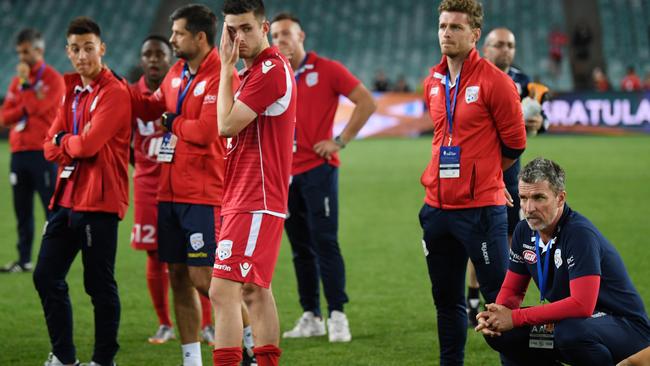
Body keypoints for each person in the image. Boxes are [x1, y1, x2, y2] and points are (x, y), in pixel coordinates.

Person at [128, 5, 254, 366]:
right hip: (167, 195)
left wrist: (173, 121)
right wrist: (121, 92)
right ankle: (191, 359)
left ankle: (250, 347)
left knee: (207, 282)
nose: (171, 39)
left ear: (200, 37)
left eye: (178, 34)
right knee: (178, 278)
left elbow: (205, 131)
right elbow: (154, 106)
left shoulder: (220, 74)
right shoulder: (177, 71)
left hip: (202, 194)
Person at [418, 1, 527, 364]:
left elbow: (514, 144)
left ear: (474, 34)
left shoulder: (496, 82)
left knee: (498, 303)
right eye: (442, 25)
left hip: (480, 210)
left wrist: (488, 179)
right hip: (436, 209)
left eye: (455, 27)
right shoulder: (432, 82)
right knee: (446, 302)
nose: (446, 33)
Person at [476, 157, 650, 366]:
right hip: (576, 324)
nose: (529, 208)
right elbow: (512, 292)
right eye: (523, 198)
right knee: (503, 334)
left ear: (560, 198)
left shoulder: (579, 234)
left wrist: (514, 318)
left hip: (626, 328)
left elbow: (582, 305)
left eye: (539, 197)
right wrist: (494, 316)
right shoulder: (524, 231)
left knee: (569, 333)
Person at [269, 12, 376, 342]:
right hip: (283, 174)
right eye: (274, 36)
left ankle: (338, 314)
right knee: (300, 248)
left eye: (286, 34)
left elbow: (366, 102)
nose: (280, 41)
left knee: (325, 242)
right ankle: (311, 315)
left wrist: (339, 141)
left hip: (319, 169)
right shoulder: (271, 74)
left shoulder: (326, 69)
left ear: (301, 37)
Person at [34, 16, 131, 366]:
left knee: (99, 286)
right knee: (45, 275)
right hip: (66, 198)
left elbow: (88, 146)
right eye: (75, 49)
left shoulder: (116, 92)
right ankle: (64, 357)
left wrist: (66, 141)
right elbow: (48, 145)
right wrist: (66, 142)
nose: (82, 55)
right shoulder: (70, 90)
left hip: (100, 201)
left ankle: (104, 360)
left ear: (101, 49)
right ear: (67, 52)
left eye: (88, 48)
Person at [210, 0, 296, 365]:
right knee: (255, 291)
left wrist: (225, 68)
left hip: (256, 197)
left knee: (221, 291)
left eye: (246, 28)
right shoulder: (255, 72)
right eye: (231, 30)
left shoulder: (269, 70)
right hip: (244, 195)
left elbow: (226, 126)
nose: (238, 37)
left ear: (264, 28)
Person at [129, 35, 216, 346]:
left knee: (201, 272)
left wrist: (173, 121)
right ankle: (169, 329)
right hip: (155, 188)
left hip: (194, 188)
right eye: (147, 54)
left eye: (160, 53)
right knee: (165, 265)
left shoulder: (196, 79)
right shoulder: (151, 88)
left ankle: (220, 329)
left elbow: (205, 131)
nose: (153, 59)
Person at [463, 27, 549, 326]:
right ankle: (473, 295)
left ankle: (510, 304)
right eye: (499, 45)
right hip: (481, 172)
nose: (506, 50)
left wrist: (538, 122)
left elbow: (538, 122)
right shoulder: (472, 76)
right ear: (485, 47)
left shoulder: (522, 80)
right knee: (482, 239)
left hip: (511, 170)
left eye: (510, 45)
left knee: (516, 237)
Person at [0, 28, 64, 273]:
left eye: (25, 52)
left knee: (51, 210)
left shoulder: (52, 80)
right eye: (19, 53)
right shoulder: (18, 81)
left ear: (39, 50)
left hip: (43, 153)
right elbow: (5, 116)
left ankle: (55, 260)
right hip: (18, 153)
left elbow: (38, 107)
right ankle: (24, 259)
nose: (21, 57)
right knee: (21, 210)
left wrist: (25, 94)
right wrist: (24, 105)